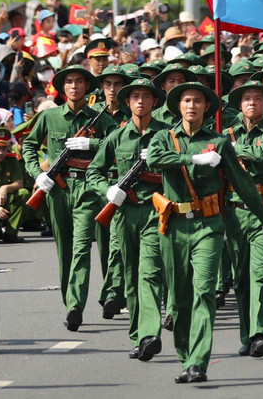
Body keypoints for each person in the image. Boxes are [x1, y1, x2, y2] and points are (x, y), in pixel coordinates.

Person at [146, 80, 263, 384]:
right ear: (179, 106)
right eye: (187, 100)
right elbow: (153, 159)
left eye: (198, 101)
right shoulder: (164, 137)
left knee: (204, 292)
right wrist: (190, 158)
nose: (192, 105)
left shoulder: (218, 143)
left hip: (208, 225)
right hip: (173, 224)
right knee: (178, 298)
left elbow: (242, 183)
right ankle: (185, 356)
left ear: (207, 108)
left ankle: (198, 362)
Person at [22, 64, 114, 331]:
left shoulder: (100, 117)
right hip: (58, 190)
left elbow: (117, 144)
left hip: (87, 189)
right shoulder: (50, 117)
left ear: (87, 87)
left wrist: (93, 144)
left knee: (82, 246)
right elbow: (29, 145)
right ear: (63, 88)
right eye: (69, 82)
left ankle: (76, 304)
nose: (74, 86)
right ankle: (70, 302)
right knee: (65, 250)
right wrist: (36, 173)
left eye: (79, 81)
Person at [93, 76, 169, 362]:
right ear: (127, 102)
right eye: (135, 96)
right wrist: (108, 190)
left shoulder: (166, 135)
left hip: (153, 211)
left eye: (145, 96)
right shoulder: (117, 136)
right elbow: (94, 172)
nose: (140, 101)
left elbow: (181, 173)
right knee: (131, 276)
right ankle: (138, 335)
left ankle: (150, 333)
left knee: (149, 273)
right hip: (124, 213)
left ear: (154, 101)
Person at [222, 77, 263, 357]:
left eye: (258, 99)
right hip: (236, 213)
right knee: (241, 279)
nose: (252, 102)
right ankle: (247, 334)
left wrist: (233, 150)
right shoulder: (226, 132)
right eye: (247, 98)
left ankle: (261, 333)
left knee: (261, 274)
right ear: (239, 104)